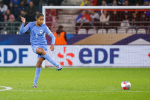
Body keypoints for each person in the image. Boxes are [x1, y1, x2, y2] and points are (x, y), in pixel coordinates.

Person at [20, 13, 62, 88]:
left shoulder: (44, 27)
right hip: (35, 46)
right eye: (40, 19)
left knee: (39, 63)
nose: (42, 21)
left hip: (43, 46)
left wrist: (52, 44)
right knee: (42, 51)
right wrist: (23, 24)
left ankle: (34, 84)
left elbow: (52, 36)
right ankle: (57, 65)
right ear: (36, 19)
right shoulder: (30, 24)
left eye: (43, 20)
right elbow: (21, 32)